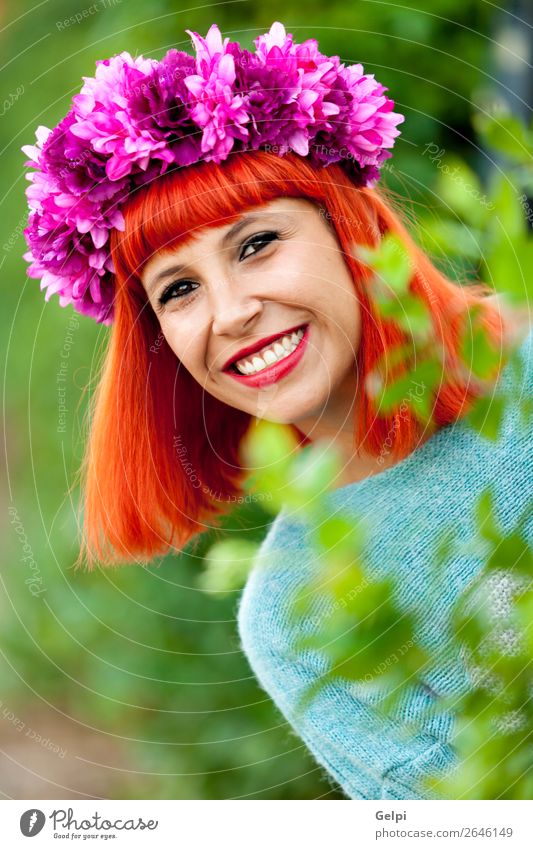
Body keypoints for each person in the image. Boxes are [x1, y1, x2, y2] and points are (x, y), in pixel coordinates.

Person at [21, 21, 532, 799]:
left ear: (349, 227)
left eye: (255, 243)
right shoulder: (295, 618)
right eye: (179, 289)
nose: (229, 312)